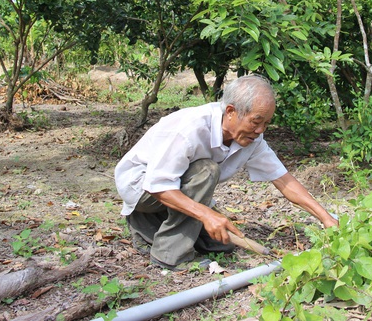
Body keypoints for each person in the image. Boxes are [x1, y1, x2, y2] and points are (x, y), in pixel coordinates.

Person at [114, 74, 339, 270]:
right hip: (141, 188)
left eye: (267, 123)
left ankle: (147, 228)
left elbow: (283, 179)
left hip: (175, 188)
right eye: (256, 122)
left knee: (221, 244)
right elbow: (159, 185)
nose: (260, 130)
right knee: (207, 170)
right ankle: (169, 256)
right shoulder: (189, 129)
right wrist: (206, 214)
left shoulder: (253, 139)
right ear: (230, 111)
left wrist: (326, 218)